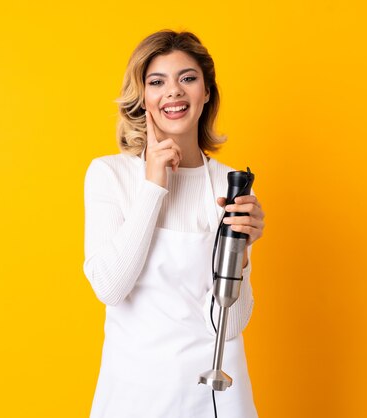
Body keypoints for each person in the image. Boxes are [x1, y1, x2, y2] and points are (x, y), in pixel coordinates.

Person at [83, 30, 265, 418]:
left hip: (218, 398)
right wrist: (153, 186)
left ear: (206, 92)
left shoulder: (229, 185)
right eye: (157, 82)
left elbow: (229, 327)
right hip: (135, 397)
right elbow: (110, 287)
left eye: (188, 78)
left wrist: (242, 254)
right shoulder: (110, 175)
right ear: (142, 97)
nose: (174, 92)